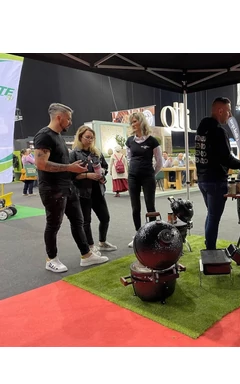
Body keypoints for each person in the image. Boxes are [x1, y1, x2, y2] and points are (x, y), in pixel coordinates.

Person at [34, 103, 109, 273]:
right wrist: (69, 168)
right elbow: (41, 164)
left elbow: (61, 163)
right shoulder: (44, 136)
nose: (70, 122)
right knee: (53, 224)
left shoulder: (58, 137)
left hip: (68, 187)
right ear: (59, 117)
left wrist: (73, 169)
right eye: (68, 119)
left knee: (78, 221)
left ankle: (86, 255)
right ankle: (51, 259)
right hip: (52, 189)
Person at [195, 97, 240, 250]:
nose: (230, 115)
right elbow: (227, 159)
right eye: (228, 111)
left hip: (203, 180)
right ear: (220, 110)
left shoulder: (201, 129)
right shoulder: (218, 131)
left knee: (211, 215)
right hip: (215, 180)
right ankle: (210, 250)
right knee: (214, 217)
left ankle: (209, 245)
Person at [69, 125, 118, 254]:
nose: (90, 140)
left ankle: (102, 242)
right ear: (80, 137)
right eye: (87, 137)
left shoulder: (96, 152)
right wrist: (87, 175)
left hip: (98, 191)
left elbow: (105, 167)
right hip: (82, 193)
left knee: (105, 218)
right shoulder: (74, 154)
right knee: (86, 221)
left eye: (92, 137)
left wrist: (102, 173)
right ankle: (90, 246)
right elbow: (71, 176)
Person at [125, 112, 163, 247]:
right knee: (135, 207)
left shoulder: (152, 141)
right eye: (131, 122)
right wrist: (133, 170)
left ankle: (152, 235)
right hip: (133, 177)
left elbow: (159, 162)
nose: (133, 124)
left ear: (141, 122)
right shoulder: (130, 141)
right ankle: (138, 234)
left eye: (135, 121)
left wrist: (152, 173)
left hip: (148, 177)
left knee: (150, 206)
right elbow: (129, 158)